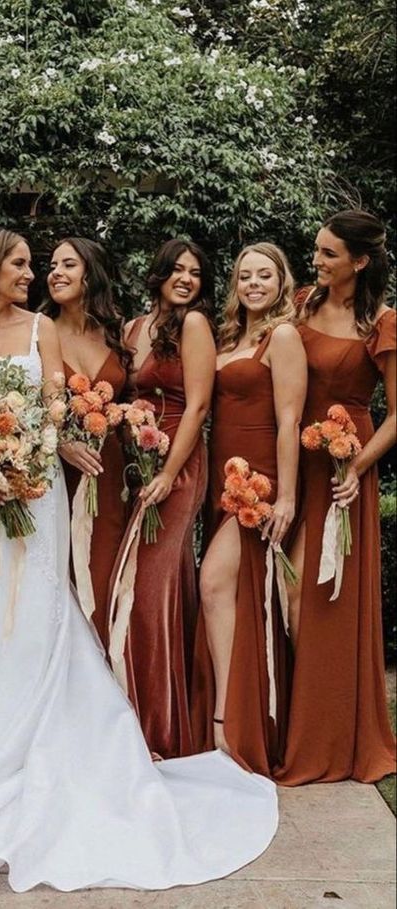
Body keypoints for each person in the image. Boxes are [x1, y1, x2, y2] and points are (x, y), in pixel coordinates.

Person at [0, 226, 277, 893]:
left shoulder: (39, 330)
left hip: (35, 486)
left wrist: (27, 456)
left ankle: (54, 736)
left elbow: (54, 407)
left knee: (39, 608)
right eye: (21, 263)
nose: (30, 274)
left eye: (34, 264)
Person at [276, 210, 396, 785]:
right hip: (293, 457)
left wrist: (358, 465)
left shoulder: (382, 323)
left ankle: (327, 732)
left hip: (345, 465)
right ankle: (288, 721)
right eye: (317, 250)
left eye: (328, 253)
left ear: (360, 261)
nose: (316, 261)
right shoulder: (299, 304)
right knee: (283, 589)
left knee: (317, 597)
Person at [190, 243, 306, 776]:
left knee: (214, 581)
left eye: (264, 275)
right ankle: (243, 716)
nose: (253, 284)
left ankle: (225, 722)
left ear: (282, 282)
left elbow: (289, 420)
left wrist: (285, 495)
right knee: (232, 594)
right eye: (244, 276)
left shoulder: (282, 336)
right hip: (220, 478)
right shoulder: (231, 338)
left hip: (257, 481)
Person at [111, 239, 216, 758]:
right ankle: (135, 713)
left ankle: (157, 729)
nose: (186, 279)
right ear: (158, 273)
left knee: (150, 589)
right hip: (136, 464)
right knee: (138, 584)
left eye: (196, 273)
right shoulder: (134, 328)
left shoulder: (194, 326)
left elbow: (198, 406)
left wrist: (169, 474)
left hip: (177, 463)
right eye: (177, 269)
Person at [46, 237, 130, 644]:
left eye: (68, 265)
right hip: (55, 475)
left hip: (109, 473)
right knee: (61, 572)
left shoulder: (117, 334)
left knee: (104, 568)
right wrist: (61, 441)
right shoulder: (38, 332)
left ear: (90, 275)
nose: (55, 273)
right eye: (52, 265)